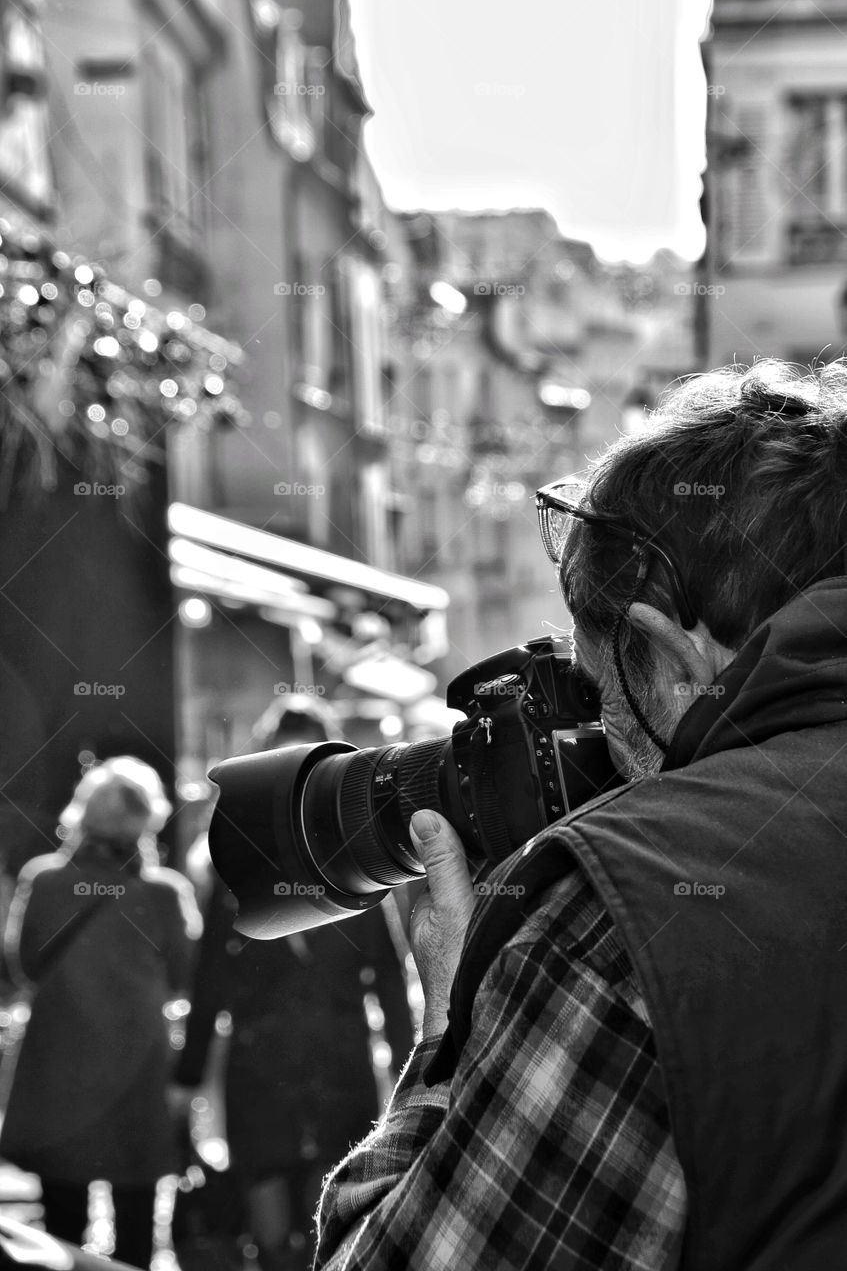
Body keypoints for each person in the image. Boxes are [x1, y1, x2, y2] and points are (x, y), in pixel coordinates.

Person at [312, 358, 847, 1269]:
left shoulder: (625, 917)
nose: (601, 740)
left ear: (664, 651)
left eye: (602, 693)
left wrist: (449, 1034)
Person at [174, 693, 414, 1271]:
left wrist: (417, 1072)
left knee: (337, 1235)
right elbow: (209, 980)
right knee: (271, 1243)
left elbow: (386, 975)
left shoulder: (360, 862)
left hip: (341, 1070)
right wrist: (184, 1080)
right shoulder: (234, 863)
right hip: (260, 1073)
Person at [0, 756, 201, 1269]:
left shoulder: (42, 881)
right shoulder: (165, 893)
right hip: (136, 1086)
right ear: (147, 821)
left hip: (57, 1085)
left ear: (83, 814)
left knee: (60, 1243)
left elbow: (23, 967)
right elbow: (184, 977)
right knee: (135, 1238)